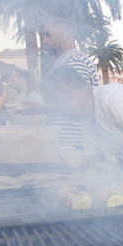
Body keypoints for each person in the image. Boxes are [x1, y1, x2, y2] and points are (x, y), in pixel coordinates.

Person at [42, 18, 99, 152]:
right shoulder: (63, 61)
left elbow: (77, 106)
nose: (44, 41)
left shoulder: (76, 60)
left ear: (62, 34)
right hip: (66, 145)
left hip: (75, 144)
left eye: (48, 35)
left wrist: (38, 109)